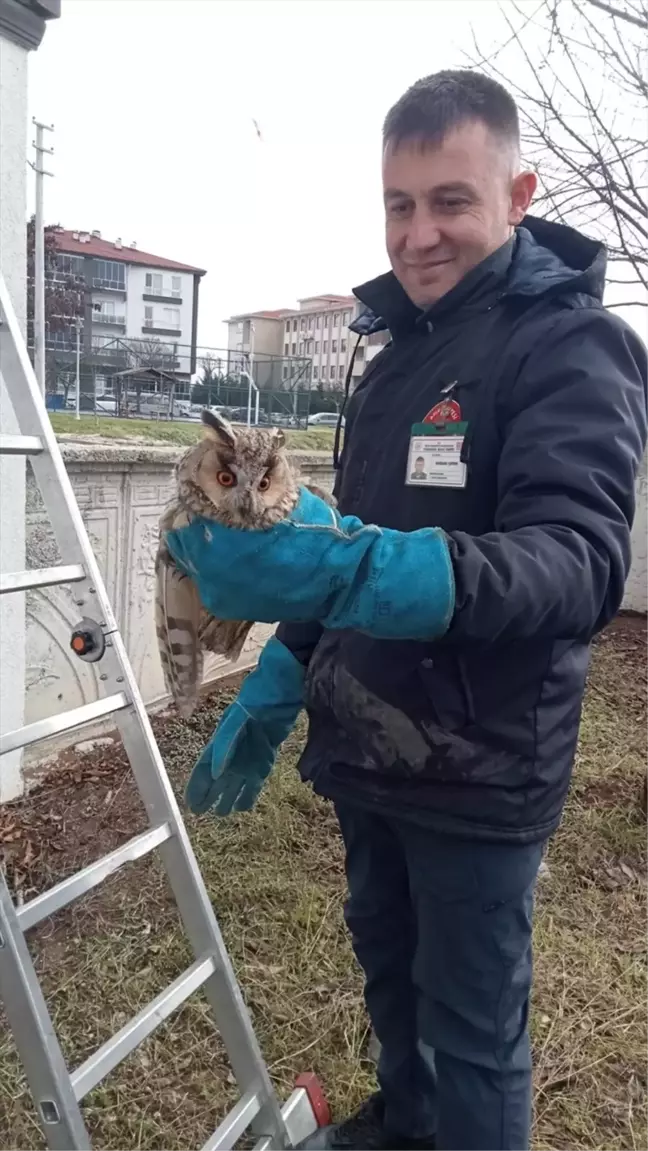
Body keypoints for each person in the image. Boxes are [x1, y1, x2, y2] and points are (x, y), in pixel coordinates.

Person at [165, 70, 648, 1151]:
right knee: (391, 975)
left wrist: (358, 574)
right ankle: (405, 1126)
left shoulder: (571, 346)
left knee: (474, 1031)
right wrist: (284, 676)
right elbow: (342, 553)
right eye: (399, 203)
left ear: (517, 195)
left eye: (450, 200)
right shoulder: (390, 361)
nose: (419, 233)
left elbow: (575, 565)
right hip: (368, 743)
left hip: (481, 763)